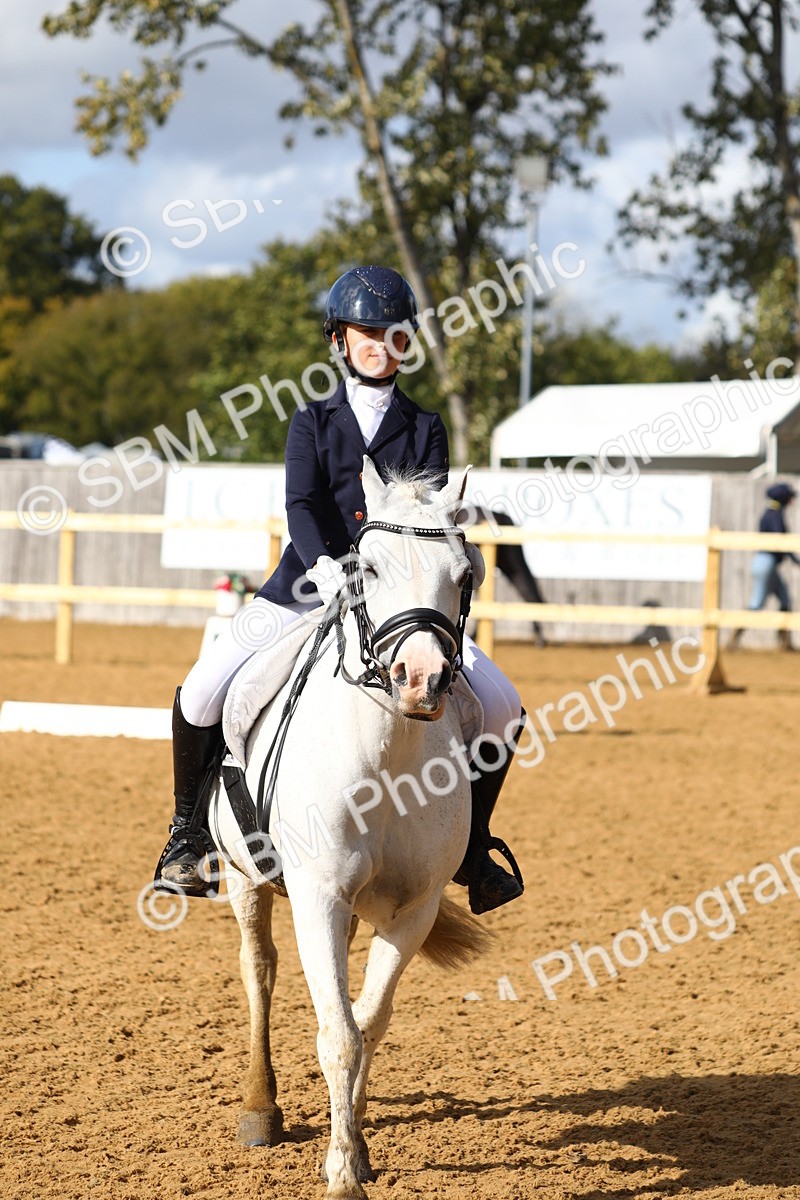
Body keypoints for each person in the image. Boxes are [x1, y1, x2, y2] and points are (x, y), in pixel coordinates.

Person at [154, 265, 525, 914]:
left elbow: (423, 515)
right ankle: (186, 835)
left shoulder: (424, 426)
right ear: (340, 341)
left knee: (503, 707)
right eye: (369, 334)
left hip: (399, 601)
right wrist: (326, 565)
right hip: (302, 585)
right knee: (204, 687)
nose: (383, 346)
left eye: (397, 336)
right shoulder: (312, 421)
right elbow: (301, 504)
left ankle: (473, 847)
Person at [730, 482, 799, 650]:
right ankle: (733, 640)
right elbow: (779, 540)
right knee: (756, 603)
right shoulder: (774, 515)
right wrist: (795, 559)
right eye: (790, 497)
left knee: (785, 599)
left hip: (768, 564)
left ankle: (785, 643)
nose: (792, 501)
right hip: (766, 562)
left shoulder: (772, 513)